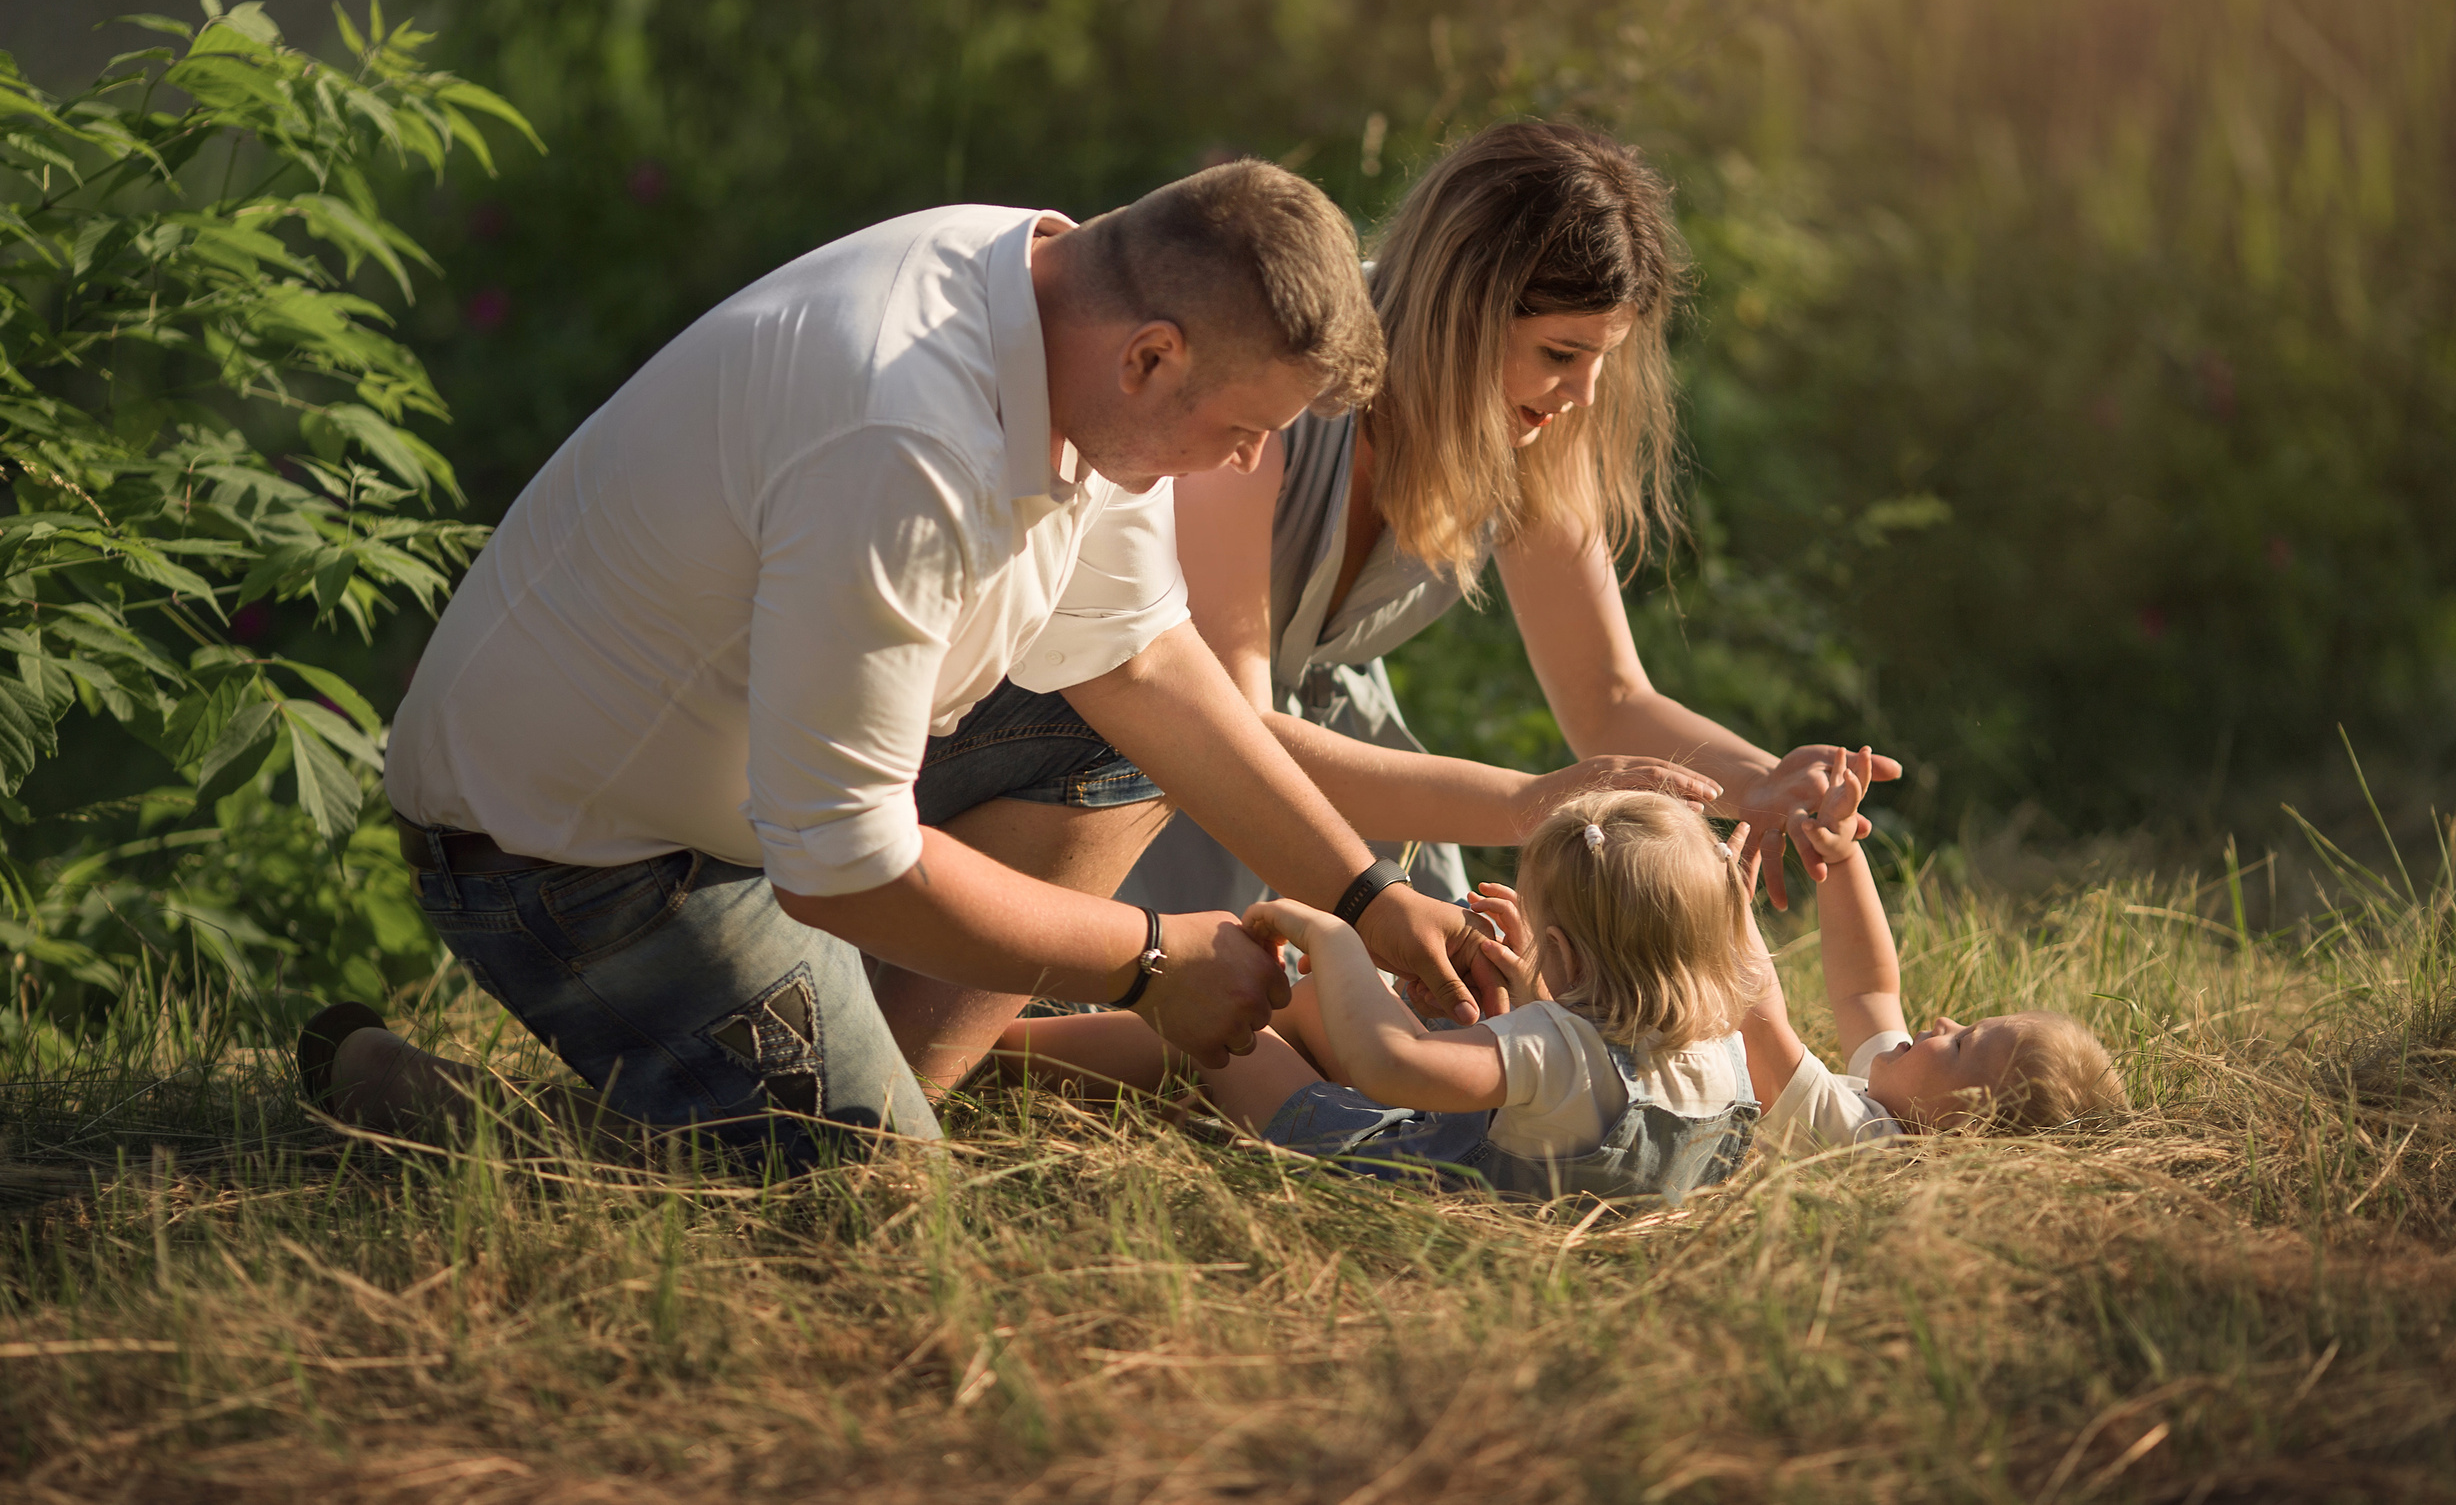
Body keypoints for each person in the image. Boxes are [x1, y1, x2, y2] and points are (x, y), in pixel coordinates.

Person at [312, 162, 1502, 1165]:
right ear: (1150, 358)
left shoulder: (1072, 324)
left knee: (1119, 744)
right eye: (1241, 431)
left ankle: (862, 1095)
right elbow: (839, 863)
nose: (1242, 465)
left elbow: (1140, 670)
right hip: (570, 855)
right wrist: (1147, 965)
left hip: (741, 794)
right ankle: (454, 1118)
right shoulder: (904, 435)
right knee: (867, 1205)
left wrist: (1369, 896)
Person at [1119, 120, 1894, 931]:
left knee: (1448, 992)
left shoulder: (1532, 427)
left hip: (1339, 769)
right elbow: (1230, 732)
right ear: (1465, 309)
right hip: (1153, 758)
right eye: (1561, 354)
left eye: (1601, 358)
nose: (1584, 394)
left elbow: (1607, 696)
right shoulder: (1282, 375)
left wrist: (1761, 783)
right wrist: (1530, 802)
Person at [996, 788, 1768, 1205]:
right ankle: (1062, 1061)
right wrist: (1530, 993)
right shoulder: (1723, 1053)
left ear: (1562, 955)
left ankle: (1004, 1056)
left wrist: (1335, 938)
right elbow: (1556, 1109)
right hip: (1481, 1171)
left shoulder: (1553, 1047)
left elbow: (1390, 1063)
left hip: (1381, 1177)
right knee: (1304, 1006)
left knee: (1239, 1035)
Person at [1742, 748, 2124, 1149]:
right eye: (1965, 1026)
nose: (1944, 1020)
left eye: (1960, 1044)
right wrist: (1840, 856)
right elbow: (1866, 989)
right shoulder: (1894, 1109)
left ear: (1960, 1131)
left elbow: (1762, 1033)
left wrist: (1722, 895)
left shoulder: (1868, 1139)